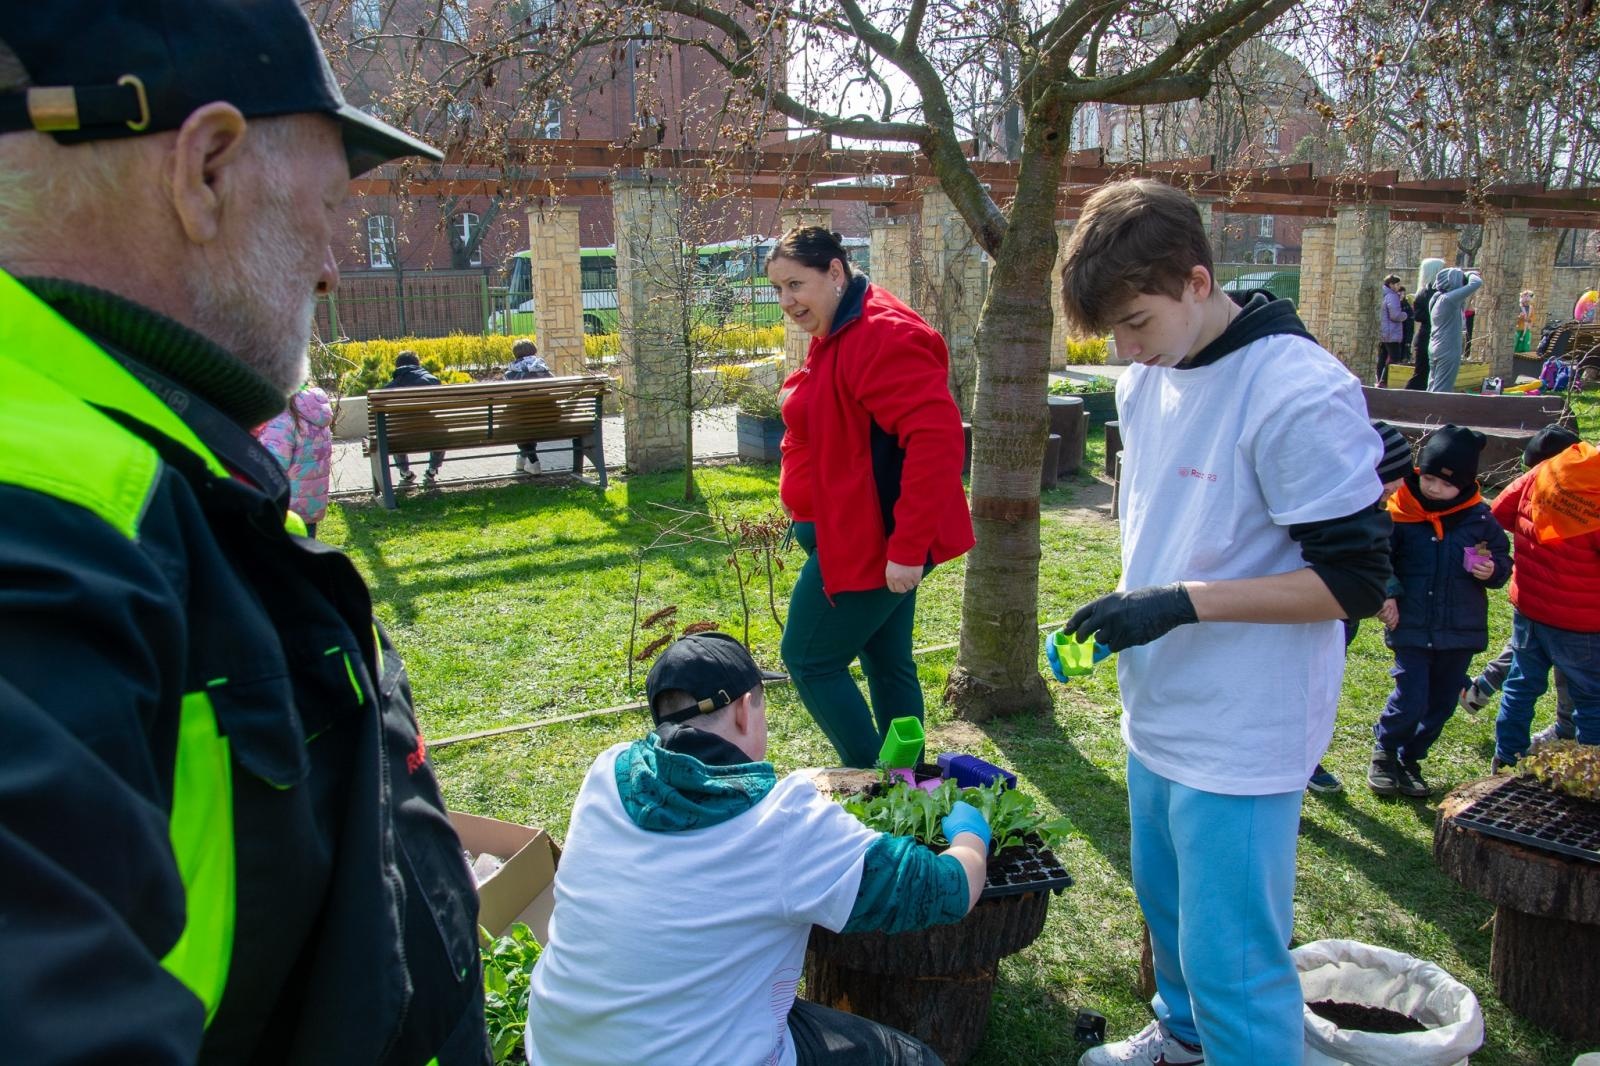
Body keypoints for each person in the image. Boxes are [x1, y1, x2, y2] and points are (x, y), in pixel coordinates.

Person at [0, 3, 489, 1063]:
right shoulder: (48, 533)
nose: (332, 265)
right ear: (207, 172)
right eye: (330, 207)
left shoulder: (142, 463)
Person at [1057, 179, 1391, 1066]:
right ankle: (1184, 1037)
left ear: (1197, 282)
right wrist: (1148, 602)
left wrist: (1181, 602)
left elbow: (1355, 581)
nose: (1126, 350)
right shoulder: (1149, 377)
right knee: (1170, 917)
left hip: (1245, 723)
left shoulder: (1295, 390)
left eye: (1137, 323)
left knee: (1232, 957)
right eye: (1113, 332)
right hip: (1162, 706)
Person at [525, 631, 989, 1065]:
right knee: (912, 1058)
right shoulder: (783, 822)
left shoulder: (606, 772)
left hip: (557, 1048)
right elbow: (946, 889)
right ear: (746, 710)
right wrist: (971, 836)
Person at [768, 227, 974, 768]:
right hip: (854, 533)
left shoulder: (880, 333)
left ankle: (877, 785)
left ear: (835, 272)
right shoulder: (840, 325)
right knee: (888, 661)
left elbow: (937, 440)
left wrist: (907, 548)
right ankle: (910, 781)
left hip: (873, 543)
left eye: (796, 284)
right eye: (778, 289)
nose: (787, 300)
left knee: (808, 659)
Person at [1366, 427, 1511, 797]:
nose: (1433, 488)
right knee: (1411, 696)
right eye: (1428, 478)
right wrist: (1388, 594)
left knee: (1443, 702)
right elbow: (1380, 559)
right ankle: (1385, 751)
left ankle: (1411, 758)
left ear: (1464, 485)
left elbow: (1502, 561)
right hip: (1412, 623)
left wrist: (1493, 569)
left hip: (1459, 628)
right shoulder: (1399, 512)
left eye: (1445, 484)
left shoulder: (1480, 519)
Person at [1309, 419, 1415, 794]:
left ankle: (1307, 758)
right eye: (1391, 481)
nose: (1397, 488)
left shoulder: (1372, 510)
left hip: (1341, 620)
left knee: (1320, 694)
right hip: (1307, 618)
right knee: (1299, 693)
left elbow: (1375, 558)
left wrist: (1385, 590)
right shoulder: (1323, 508)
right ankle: (1297, 763)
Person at [1460, 424, 1582, 745]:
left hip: (1531, 600)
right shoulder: (1585, 491)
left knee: (1525, 663)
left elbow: (1496, 514)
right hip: (1576, 611)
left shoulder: (1534, 485)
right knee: (1569, 672)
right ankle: (1566, 730)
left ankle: (1488, 704)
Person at [1490, 429, 1600, 768]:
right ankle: (1589, 772)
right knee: (1591, 698)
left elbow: (1500, 511)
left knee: (1521, 686)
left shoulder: (1547, 468)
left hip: (1529, 607)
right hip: (1580, 620)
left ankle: (1505, 760)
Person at [254, 382, 335, 536]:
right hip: (311, 502)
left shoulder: (281, 419)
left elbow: (273, 466)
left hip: (287, 506)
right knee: (307, 545)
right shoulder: (314, 409)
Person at [384, 349, 447, 483]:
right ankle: (433, 469)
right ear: (418, 364)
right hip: (430, 433)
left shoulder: (390, 388)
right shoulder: (432, 381)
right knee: (441, 430)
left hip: (403, 437)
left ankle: (404, 471)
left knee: (394, 431)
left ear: (398, 366)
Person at [1427, 267, 1484, 392]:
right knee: (1442, 389)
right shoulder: (1449, 299)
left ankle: (1427, 404)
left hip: (1435, 346)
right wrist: (1469, 274)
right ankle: (1437, 406)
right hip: (1448, 349)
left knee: (1432, 386)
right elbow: (1476, 283)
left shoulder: (1437, 297)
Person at [504, 337, 553, 475]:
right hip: (549, 419)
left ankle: (533, 461)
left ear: (515, 354)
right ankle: (522, 458)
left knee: (521, 421)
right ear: (534, 351)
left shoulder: (510, 374)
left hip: (522, 421)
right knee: (529, 420)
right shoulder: (545, 370)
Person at [1407, 258, 1445, 392]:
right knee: (1422, 373)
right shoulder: (1426, 292)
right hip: (1427, 336)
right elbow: (1418, 316)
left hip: (1432, 335)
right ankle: (1405, 397)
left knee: (1429, 374)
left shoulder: (1431, 292)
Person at [1377, 274, 1407, 386]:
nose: (1399, 286)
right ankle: (1384, 381)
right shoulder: (1392, 296)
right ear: (1391, 284)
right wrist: (1405, 315)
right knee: (1394, 357)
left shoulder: (1383, 295)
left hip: (1384, 331)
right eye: (1397, 284)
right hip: (1392, 332)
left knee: (1382, 357)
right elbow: (1395, 315)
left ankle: (1379, 379)